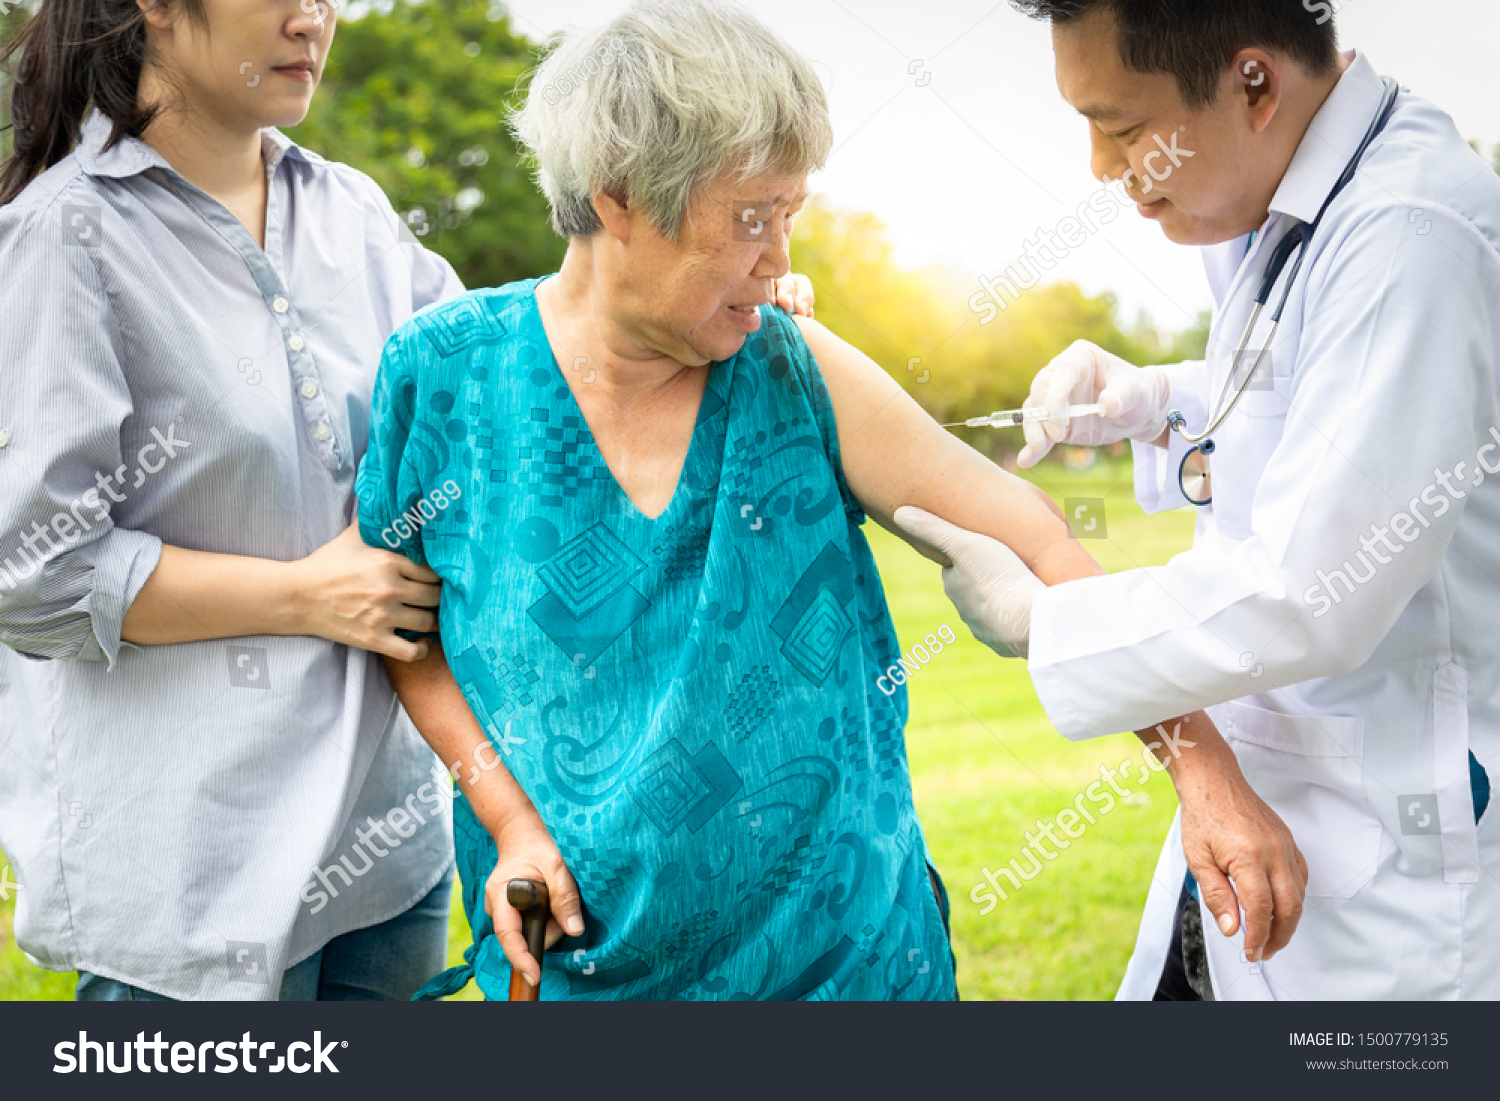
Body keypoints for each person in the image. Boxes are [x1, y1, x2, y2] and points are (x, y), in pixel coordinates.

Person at [360, 0, 1306, 1001]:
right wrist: (506, 818)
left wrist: (1205, 773)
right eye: (750, 219)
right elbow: (403, 630)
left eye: (790, 215)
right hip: (583, 977)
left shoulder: (794, 369)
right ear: (621, 197)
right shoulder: (442, 377)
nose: (779, 259)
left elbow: (1033, 536)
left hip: (853, 974)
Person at [899, 0, 1500, 1000]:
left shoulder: (1409, 235)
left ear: (1252, 83)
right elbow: (1310, 408)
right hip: (1260, 809)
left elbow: (1307, 594)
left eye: (1124, 129)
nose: (1098, 166)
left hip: (1391, 875)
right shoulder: (1281, 201)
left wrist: (1049, 621)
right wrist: (1161, 402)